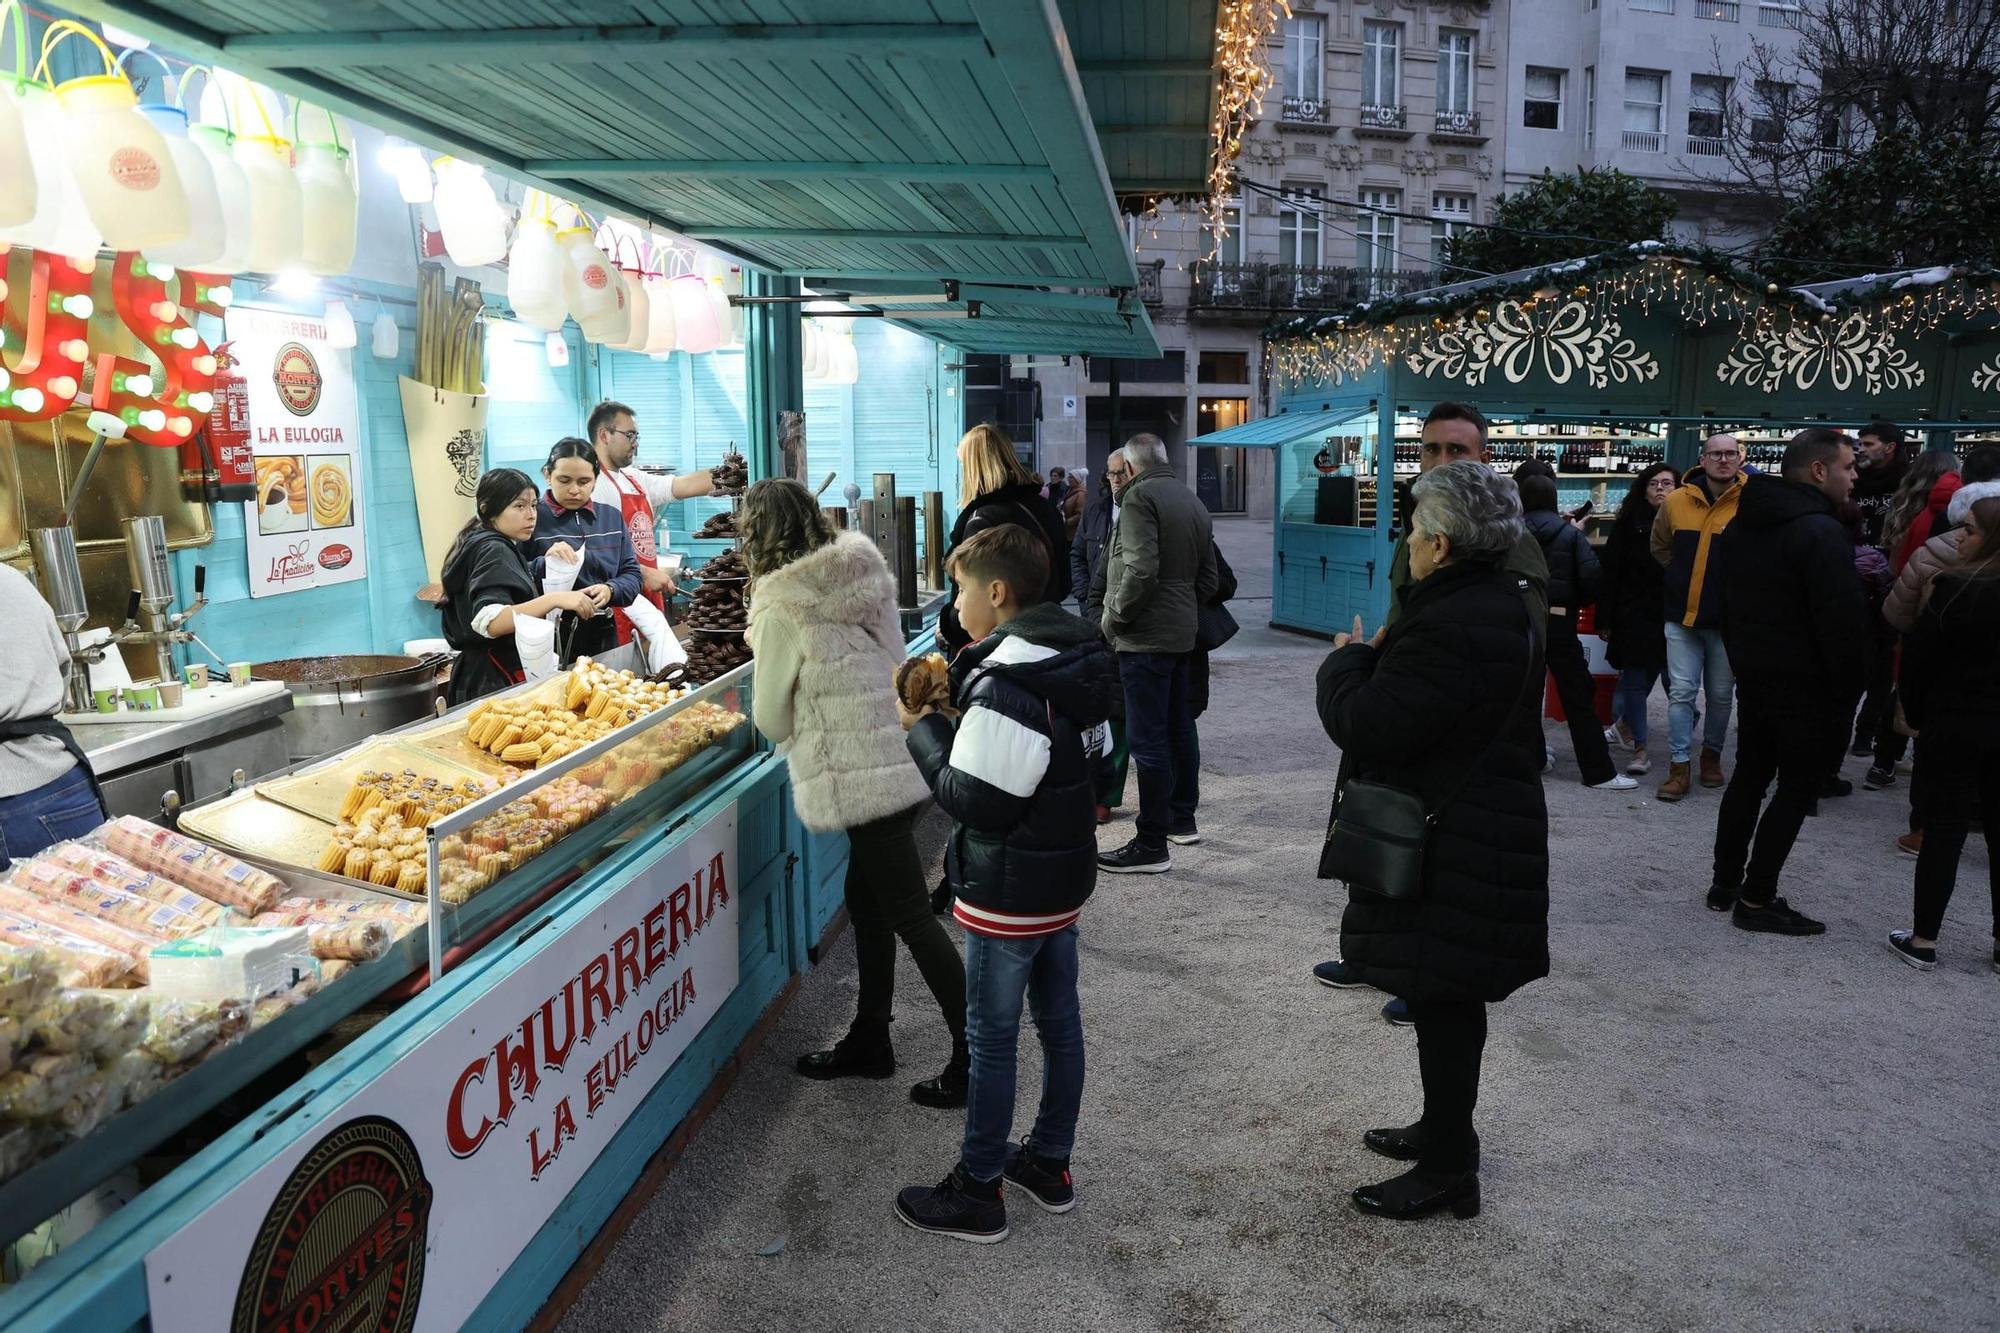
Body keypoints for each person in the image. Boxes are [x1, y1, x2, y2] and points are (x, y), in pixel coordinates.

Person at [1316, 462, 1549, 1222]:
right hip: (1477, 826)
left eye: (1414, 530)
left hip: (1455, 839)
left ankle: (1451, 1166)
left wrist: (1346, 661)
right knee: (1444, 992)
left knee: (1445, 996)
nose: (1407, 543)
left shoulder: (1449, 622)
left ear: (1441, 545)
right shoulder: (1495, 603)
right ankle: (1444, 1131)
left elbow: (1371, 723)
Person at [893, 524, 1116, 1243]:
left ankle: (980, 1188)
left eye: (960, 589)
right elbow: (1098, 755)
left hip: (1010, 889)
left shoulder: (1007, 683)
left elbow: (978, 800)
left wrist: (921, 730)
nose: (955, 604)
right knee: (1059, 1023)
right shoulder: (1077, 654)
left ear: (996, 591)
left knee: (992, 1040)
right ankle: (1049, 1161)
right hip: (1063, 876)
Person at [1315, 402, 1549, 1026]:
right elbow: (1411, 611)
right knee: (1389, 852)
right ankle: (1379, 958)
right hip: (1419, 690)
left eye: (1457, 451)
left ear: (1484, 457)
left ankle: (1417, 978)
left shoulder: (1502, 550)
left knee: (1439, 908)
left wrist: (1356, 666)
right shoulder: (1425, 533)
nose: (1441, 461)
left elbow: (1509, 654)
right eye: (1432, 450)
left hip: (1451, 749)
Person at [740, 479, 969, 1107]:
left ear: (757, 533)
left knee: (911, 916)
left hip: (858, 772)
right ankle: (871, 1039)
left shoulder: (780, 602)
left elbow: (771, 718)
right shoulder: (860, 571)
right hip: (900, 755)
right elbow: (900, 665)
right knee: (865, 902)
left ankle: (977, 1053)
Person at [1707, 429, 1865, 935]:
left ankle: (1725, 882)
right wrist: (1849, 688)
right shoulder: (1819, 533)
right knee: (1795, 789)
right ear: (1819, 470)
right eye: (1848, 467)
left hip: (1757, 676)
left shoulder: (1743, 522)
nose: (1854, 477)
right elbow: (1840, 623)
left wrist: (1743, 661)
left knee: (1751, 777)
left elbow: (1725, 605)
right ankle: (1756, 900)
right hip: (1807, 686)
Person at [1091, 433, 1218, 874]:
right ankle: (1180, 819)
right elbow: (1210, 577)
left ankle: (1150, 843)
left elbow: (1139, 569)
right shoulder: (1190, 499)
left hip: (1144, 638)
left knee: (1148, 740)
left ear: (1130, 465)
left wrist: (1113, 617)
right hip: (1182, 634)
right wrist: (1182, 608)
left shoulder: (1140, 499)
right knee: (1177, 727)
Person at [1886, 495, 2000, 972]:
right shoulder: (1953, 585)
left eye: (1970, 530)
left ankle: (1924, 938)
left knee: (1944, 832)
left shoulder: (1952, 589)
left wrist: (1915, 712)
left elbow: (1918, 661)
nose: (1960, 537)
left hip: (1954, 724)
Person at [1878, 455, 2000, 847]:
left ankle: (1923, 823)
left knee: (1934, 761)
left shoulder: (1932, 547)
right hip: (1978, 700)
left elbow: (1898, 612)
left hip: (1942, 692)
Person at [439, 468, 600, 706]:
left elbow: (507, 580)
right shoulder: (494, 549)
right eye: (519, 506)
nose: (531, 515)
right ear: (487, 508)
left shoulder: (480, 540)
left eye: (534, 506)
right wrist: (555, 599)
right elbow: (491, 621)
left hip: (476, 676)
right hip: (492, 681)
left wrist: (544, 564)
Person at [1518, 473, 1634, 790]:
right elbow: (1592, 581)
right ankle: (1598, 771)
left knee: (1526, 693)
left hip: (1520, 620)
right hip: (1559, 621)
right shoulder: (1570, 536)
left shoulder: (1510, 533)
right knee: (1578, 696)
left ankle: (1535, 758)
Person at [1651, 433, 1746, 801]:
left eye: (1729, 454)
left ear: (1739, 458)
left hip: (1727, 619)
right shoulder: (1677, 501)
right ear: (1702, 459)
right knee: (1682, 693)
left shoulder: (1750, 502)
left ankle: (1711, 756)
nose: (1723, 460)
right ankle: (1679, 765)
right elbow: (1660, 546)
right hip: (1681, 614)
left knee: (1722, 696)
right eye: (1715, 454)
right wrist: (1682, 578)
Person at [1853, 450, 1961, 761]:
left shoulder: (1902, 505)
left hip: (1891, 591)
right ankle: (1879, 744)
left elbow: (1894, 553)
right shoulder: (1948, 513)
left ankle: (1868, 740)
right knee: (1898, 676)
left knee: (1876, 668)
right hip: (1924, 601)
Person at [586, 399, 718, 651]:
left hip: (646, 592)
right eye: (630, 435)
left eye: (637, 435)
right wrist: (644, 574)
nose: (636, 443)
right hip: (618, 600)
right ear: (604, 434)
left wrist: (732, 472)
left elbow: (680, 486)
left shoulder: (634, 478)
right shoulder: (593, 485)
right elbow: (597, 552)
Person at [0, 564, 107, 871]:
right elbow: (63, 665)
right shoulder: (11, 579)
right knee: (105, 908)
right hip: (61, 780)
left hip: (10, 803)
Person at [938, 424, 1071, 655]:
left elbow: (973, 601)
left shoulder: (982, 519)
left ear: (973, 467)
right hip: (1047, 639)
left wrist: (947, 625)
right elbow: (1064, 582)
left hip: (995, 648)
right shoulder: (1044, 508)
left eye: (963, 465)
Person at [529, 438, 642, 662]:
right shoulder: (531, 518)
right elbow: (514, 575)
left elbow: (633, 575)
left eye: (584, 481)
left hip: (603, 633)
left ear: (596, 479)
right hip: (548, 637)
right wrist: (545, 563)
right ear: (546, 474)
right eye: (564, 480)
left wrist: (611, 589)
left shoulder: (610, 517)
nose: (574, 490)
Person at [1596, 463, 1675, 775]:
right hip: (1635, 613)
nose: (1660, 489)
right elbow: (1611, 573)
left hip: (1672, 613)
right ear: (1643, 489)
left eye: (1667, 483)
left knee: (1674, 683)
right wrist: (1605, 618)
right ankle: (1641, 747)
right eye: (1654, 483)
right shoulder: (1629, 523)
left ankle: (1625, 724)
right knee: (1635, 681)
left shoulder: (1687, 524)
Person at [1073, 451, 1132, 823]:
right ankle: (1094, 791)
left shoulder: (1144, 511)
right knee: (1098, 709)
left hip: (1128, 626)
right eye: (1109, 474)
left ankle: (1106, 796)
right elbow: (1077, 554)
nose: (1114, 480)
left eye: (1120, 474)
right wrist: (1084, 600)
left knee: (1120, 713)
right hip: (1095, 621)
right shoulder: (1095, 512)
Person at [1851, 420, 1910, 549]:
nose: (1860, 450)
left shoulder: (1909, 482)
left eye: (1868, 444)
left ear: (1889, 448)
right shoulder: (1851, 477)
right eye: (1860, 444)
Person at [1046, 465, 1084, 542]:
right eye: (1052, 476)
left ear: (1061, 477)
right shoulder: (1047, 487)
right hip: (1050, 520)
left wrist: (1067, 521)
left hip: (1062, 524)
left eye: (1055, 476)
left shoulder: (1066, 490)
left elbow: (1079, 513)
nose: (1053, 478)